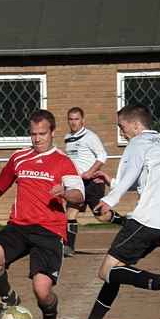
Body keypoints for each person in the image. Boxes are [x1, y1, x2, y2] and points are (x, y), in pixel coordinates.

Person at [64, 104, 160, 319]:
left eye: (122, 126)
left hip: (146, 219)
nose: (121, 132)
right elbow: (145, 181)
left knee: (106, 271)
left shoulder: (138, 143)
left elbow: (131, 177)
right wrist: (112, 181)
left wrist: (107, 201)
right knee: (115, 274)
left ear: (137, 125)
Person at [0, 109, 85, 319]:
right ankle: (9, 298)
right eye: (33, 134)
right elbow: (1, 184)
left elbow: (79, 195)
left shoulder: (63, 162)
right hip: (19, 226)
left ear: (52, 132)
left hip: (49, 230)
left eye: (42, 133)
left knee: (42, 290)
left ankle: (50, 318)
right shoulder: (19, 157)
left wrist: (65, 192)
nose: (37, 138)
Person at [63, 107, 109, 257]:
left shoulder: (90, 136)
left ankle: (127, 224)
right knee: (70, 213)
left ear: (83, 120)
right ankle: (68, 248)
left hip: (92, 183)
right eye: (71, 119)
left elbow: (102, 155)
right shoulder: (68, 137)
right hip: (77, 183)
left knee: (100, 215)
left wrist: (90, 172)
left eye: (76, 119)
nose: (73, 122)